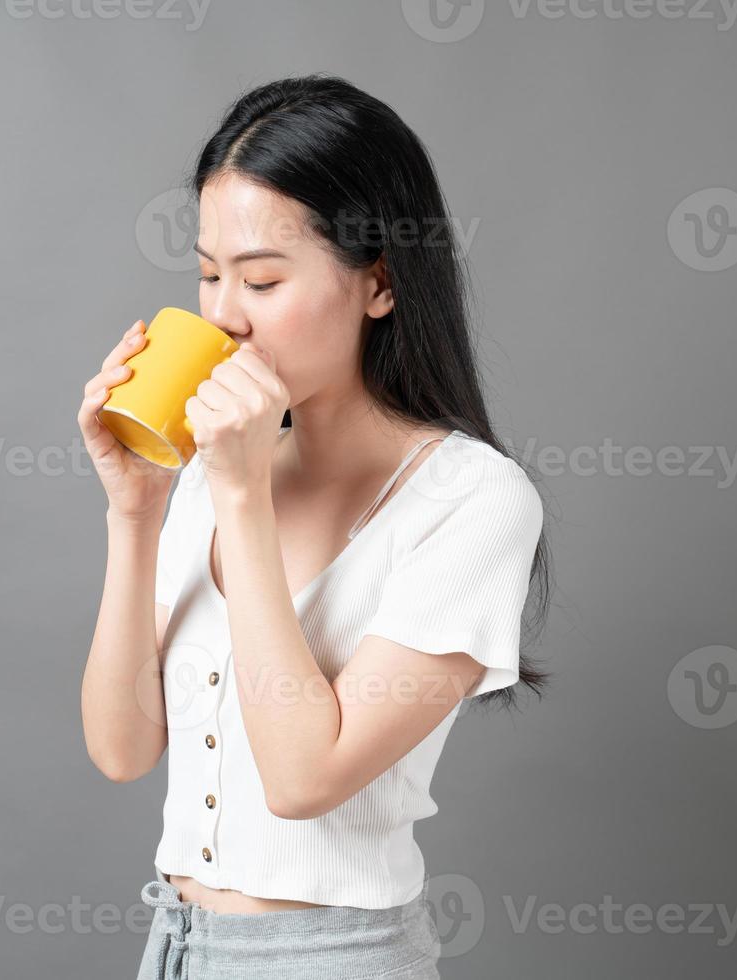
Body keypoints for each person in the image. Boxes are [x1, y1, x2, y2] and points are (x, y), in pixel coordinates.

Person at [78, 73, 552, 980]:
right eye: (210, 272)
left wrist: (243, 496)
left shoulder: (475, 501)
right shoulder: (210, 476)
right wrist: (134, 511)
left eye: (261, 278)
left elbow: (303, 778)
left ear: (378, 282)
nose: (222, 314)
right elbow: (121, 748)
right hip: (173, 949)